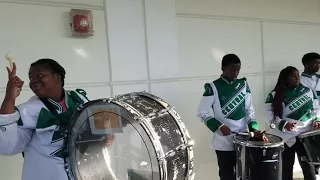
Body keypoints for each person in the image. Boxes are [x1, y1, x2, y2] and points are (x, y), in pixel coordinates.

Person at [0, 59, 91, 180]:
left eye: (40, 75)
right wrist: (10, 98)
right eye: (31, 78)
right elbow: (8, 147)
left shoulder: (79, 99)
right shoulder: (29, 110)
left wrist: (104, 138)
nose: (34, 81)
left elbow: (94, 130)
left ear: (57, 76)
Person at [197, 54, 267, 180]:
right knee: (227, 174)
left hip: (244, 138)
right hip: (223, 141)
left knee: (246, 173)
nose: (236, 73)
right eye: (232, 69)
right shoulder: (212, 87)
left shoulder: (243, 85)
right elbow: (202, 113)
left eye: (238, 70)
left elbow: (249, 111)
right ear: (223, 68)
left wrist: (254, 129)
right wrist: (219, 126)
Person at [264, 66, 320, 180]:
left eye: (298, 76)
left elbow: (316, 110)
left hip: (305, 136)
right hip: (285, 137)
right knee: (286, 168)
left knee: (308, 167)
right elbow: (269, 114)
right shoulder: (275, 94)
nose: (297, 78)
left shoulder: (308, 91)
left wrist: (317, 120)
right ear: (285, 78)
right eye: (293, 76)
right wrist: (284, 124)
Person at [300, 52, 320, 174]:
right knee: (313, 152)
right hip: (311, 119)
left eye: (319, 63)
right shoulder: (301, 81)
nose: (318, 66)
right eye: (315, 63)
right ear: (306, 64)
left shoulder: (318, 78)